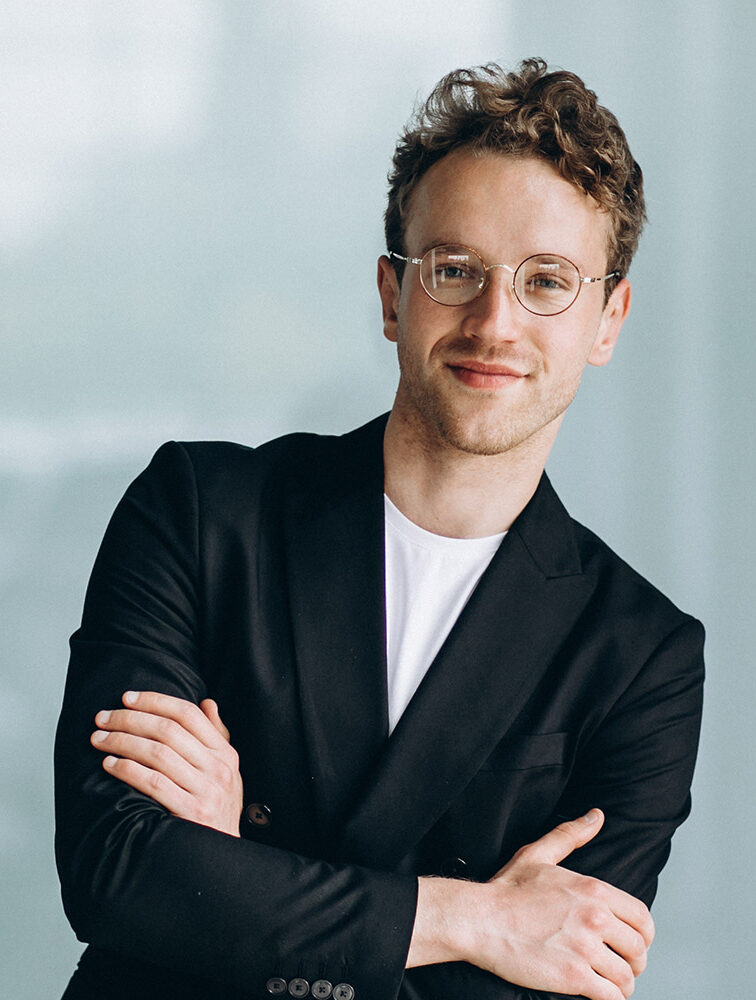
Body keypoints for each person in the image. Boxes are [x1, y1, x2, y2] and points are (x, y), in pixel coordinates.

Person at [55, 58, 704, 1000]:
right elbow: (117, 871)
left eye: (547, 281)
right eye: (455, 270)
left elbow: (546, 986)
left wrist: (234, 872)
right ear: (393, 295)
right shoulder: (197, 512)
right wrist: (473, 919)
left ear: (609, 319)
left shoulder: (642, 658)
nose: (495, 322)